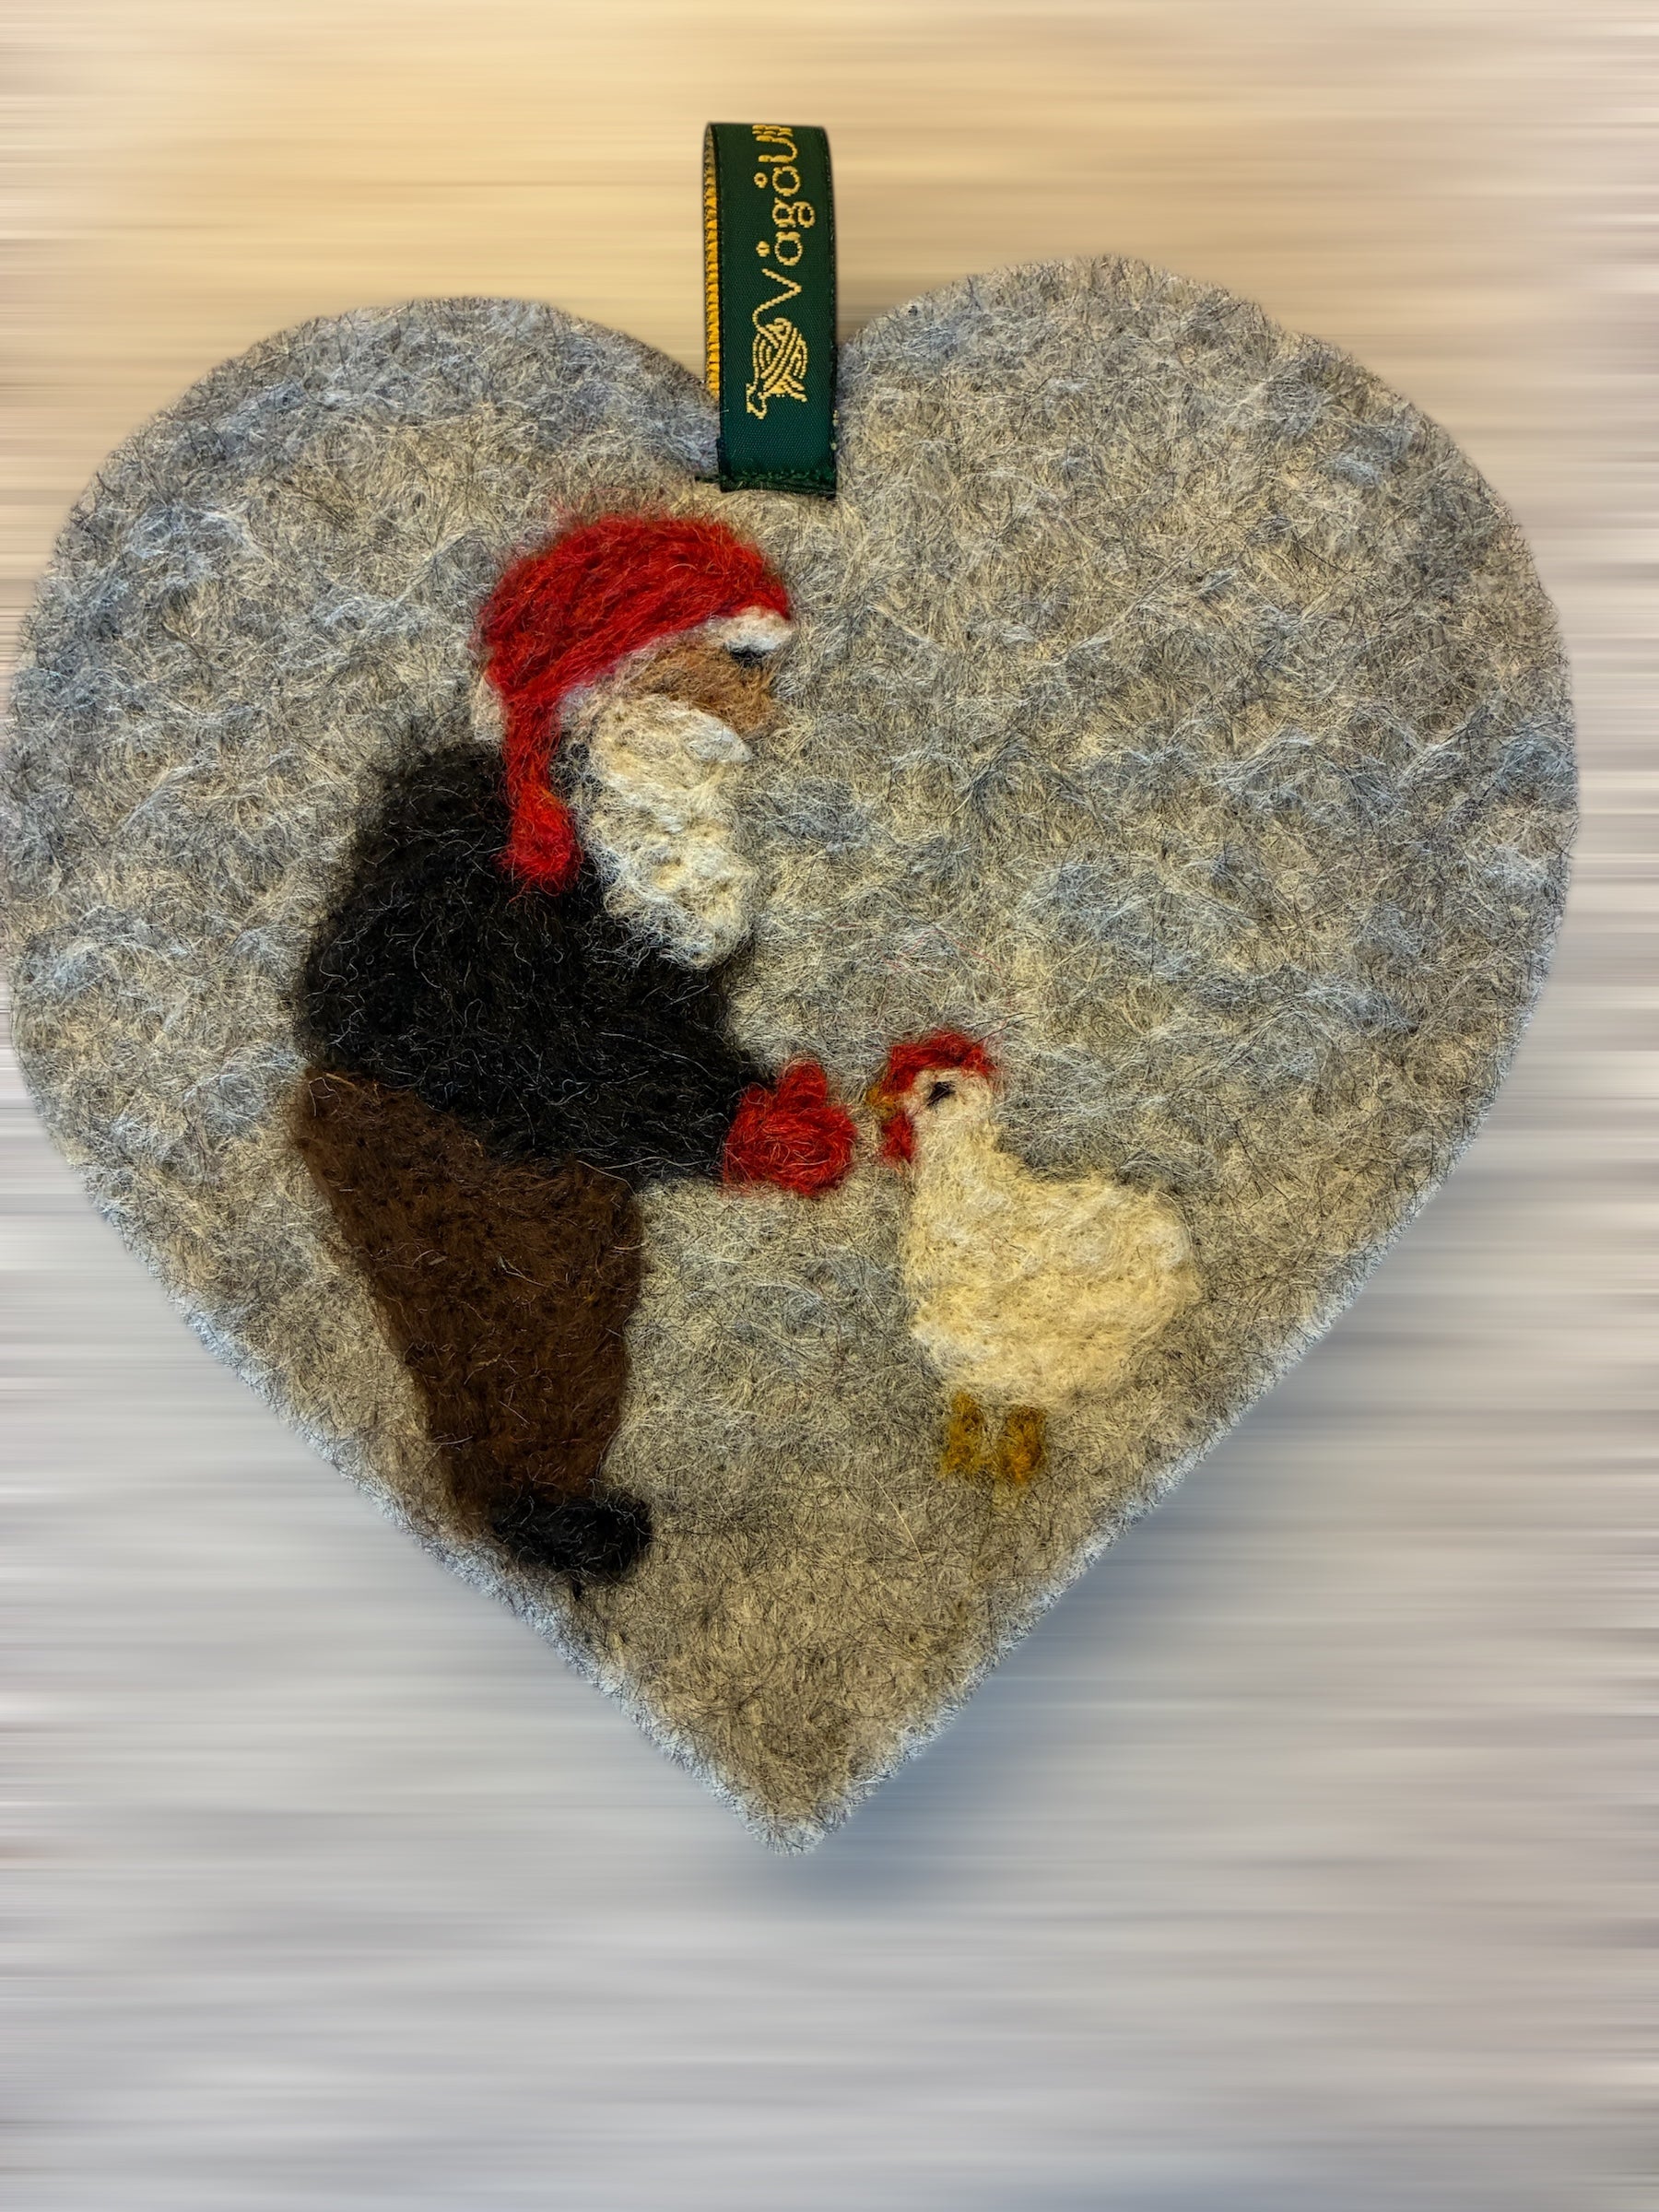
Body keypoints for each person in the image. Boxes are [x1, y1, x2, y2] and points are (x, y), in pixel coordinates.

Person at [291, 513, 857, 1587]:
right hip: (411, 1114)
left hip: (545, 1128)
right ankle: (519, 1504)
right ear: (626, 664)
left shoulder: (658, 839)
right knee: (518, 1295)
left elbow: (643, 1033)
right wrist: (718, 1125)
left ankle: (527, 1498)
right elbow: (529, 1033)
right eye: (737, 668)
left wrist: (739, 1106)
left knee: (572, 1283)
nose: (761, 713)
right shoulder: (468, 820)